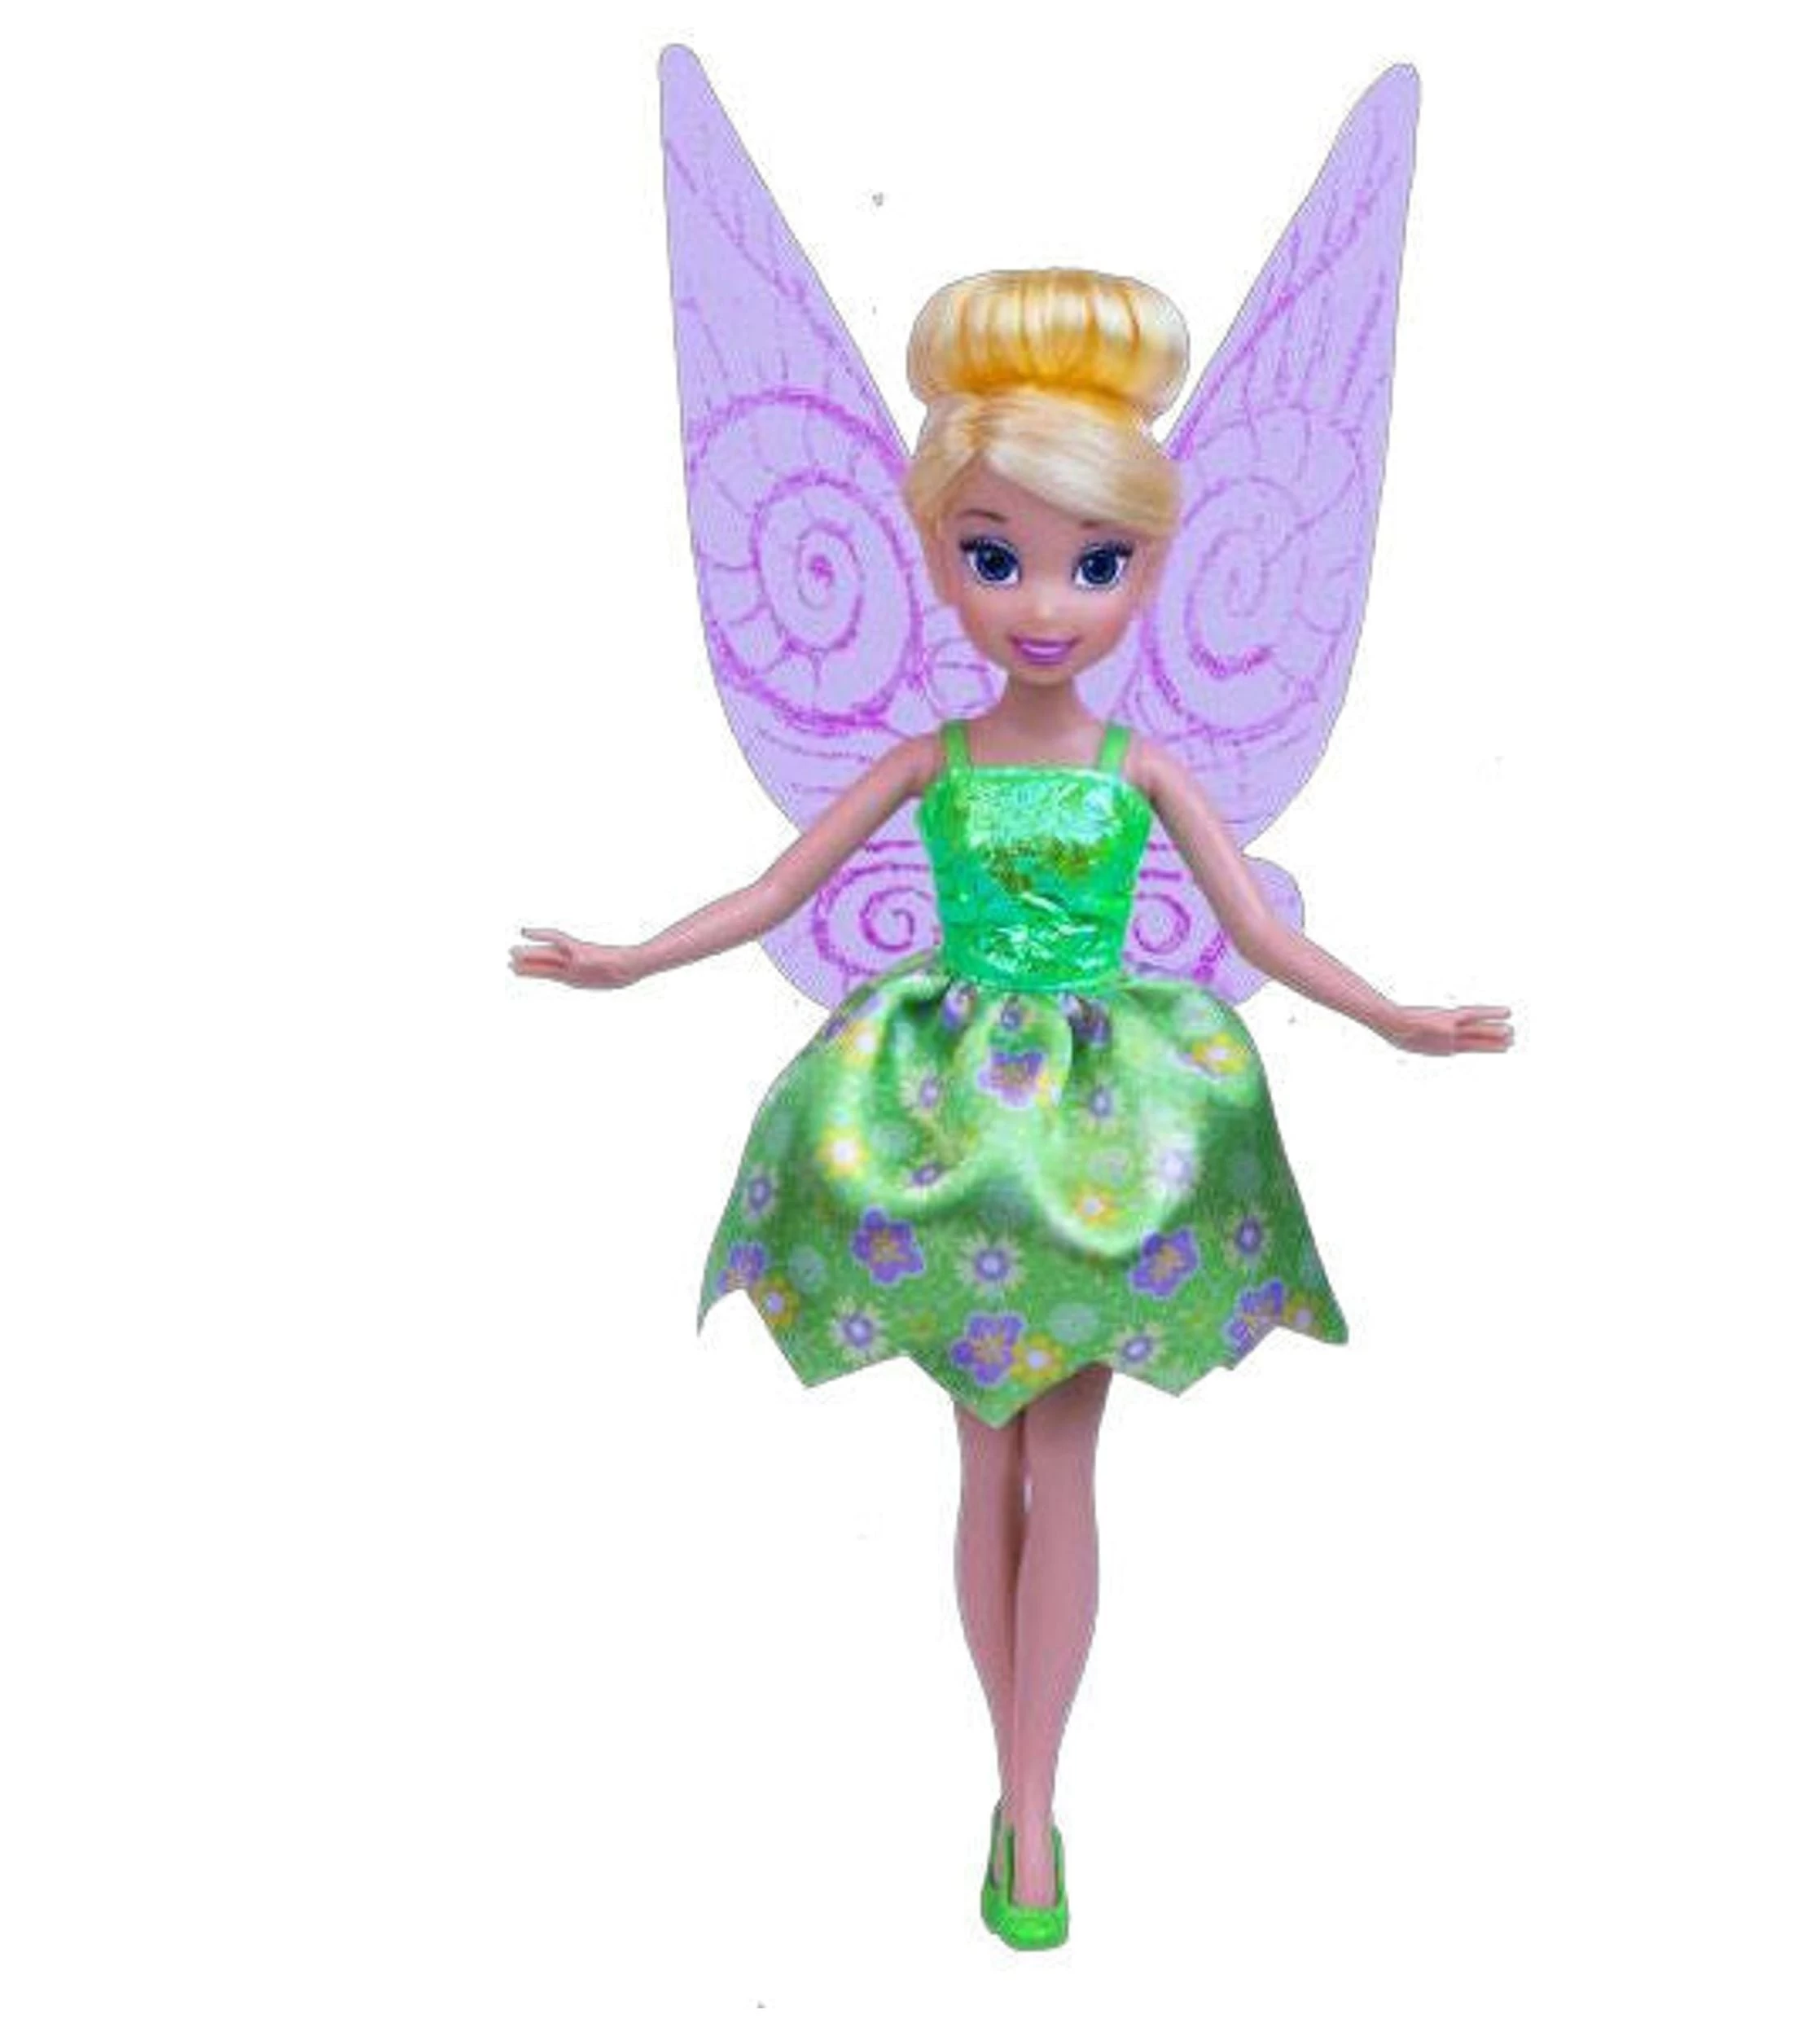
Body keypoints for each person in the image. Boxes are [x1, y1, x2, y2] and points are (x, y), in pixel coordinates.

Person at [512, 268, 1511, 1948]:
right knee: (989, 1459)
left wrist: (1392, 1014)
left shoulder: (1139, 772)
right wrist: (628, 958)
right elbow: (774, 891)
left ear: (1147, 570)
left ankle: (1030, 1799)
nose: (1044, 603)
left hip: (1100, 1141)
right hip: (956, 1135)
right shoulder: (937, 760)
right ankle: (1019, 1789)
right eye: (997, 558)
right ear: (937, 559)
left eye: (1092, 564)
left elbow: (1261, 936)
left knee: (1063, 1457)